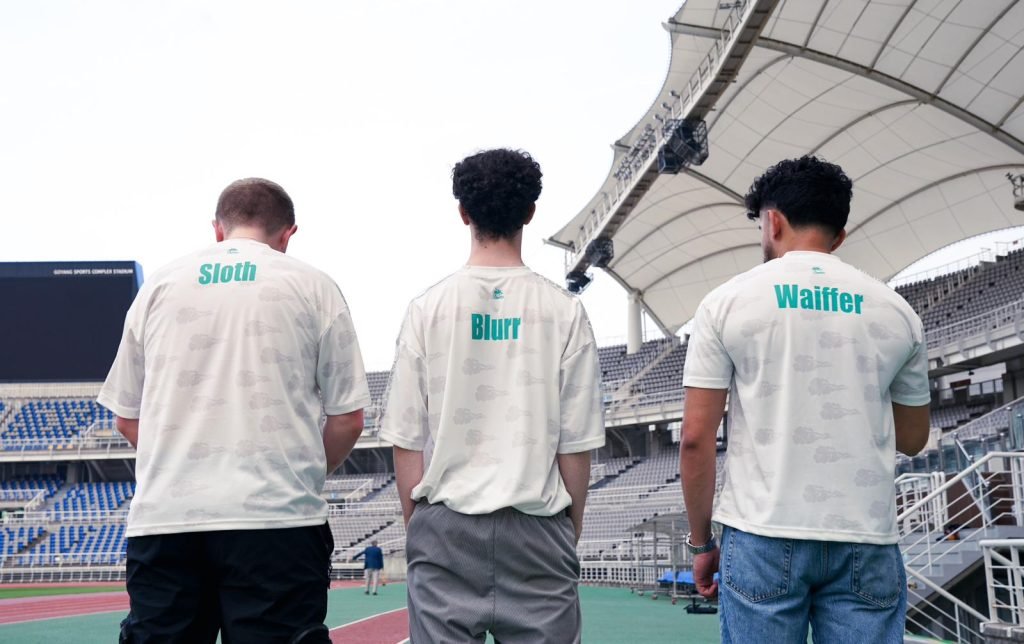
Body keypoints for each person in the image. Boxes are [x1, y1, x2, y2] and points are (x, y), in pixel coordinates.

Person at [99, 178, 370, 644]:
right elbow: (347, 417)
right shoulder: (313, 285)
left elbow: (126, 415)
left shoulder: (159, 286)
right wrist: (300, 472)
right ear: (287, 235)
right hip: (276, 519)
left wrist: (180, 462)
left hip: (169, 517)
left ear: (217, 230)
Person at [679, 156, 930, 644]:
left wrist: (702, 541)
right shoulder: (897, 312)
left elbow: (694, 439)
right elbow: (915, 439)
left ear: (772, 221)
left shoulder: (726, 302)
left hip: (761, 533)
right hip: (865, 535)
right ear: (839, 236)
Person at [379, 148, 604, 643]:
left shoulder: (427, 309)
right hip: (538, 525)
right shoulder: (563, 312)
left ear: (463, 213)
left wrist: (420, 524)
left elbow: (405, 438)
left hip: (445, 522)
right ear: (530, 212)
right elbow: (575, 442)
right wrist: (570, 528)